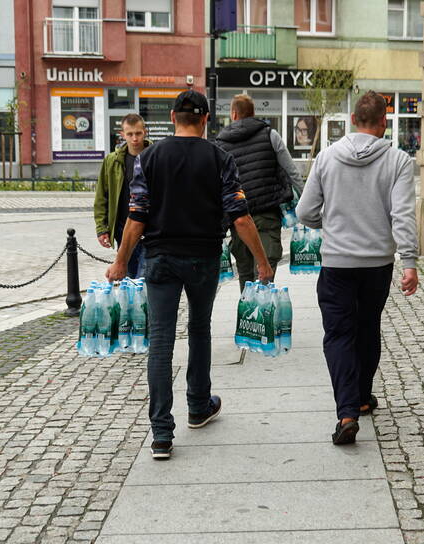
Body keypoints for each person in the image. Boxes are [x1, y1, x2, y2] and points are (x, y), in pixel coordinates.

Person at [105, 90, 274, 460]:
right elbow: (240, 217)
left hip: (161, 259)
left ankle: (162, 433)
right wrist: (261, 261)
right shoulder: (219, 158)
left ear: (172, 116)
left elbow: (137, 217)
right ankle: (198, 405)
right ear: (206, 118)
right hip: (203, 258)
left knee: (161, 340)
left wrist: (120, 261)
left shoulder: (148, 158)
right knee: (199, 328)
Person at [296, 91, 419, 445]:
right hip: (376, 265)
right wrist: (408, 262)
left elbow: (305, 212)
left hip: (336, 262)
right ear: (383, 122)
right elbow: (403, 216)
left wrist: (329, 224)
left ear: (352, 119)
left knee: (338, 335)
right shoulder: (398, 161)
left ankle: (347, 412)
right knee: (367, 329)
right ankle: (363, 397)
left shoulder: (326, 158)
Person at [215, 94, 303, 288]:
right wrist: (306, 204)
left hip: (238, 220)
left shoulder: (220, 144)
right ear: (254, 113)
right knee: (265, 277)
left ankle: (249, 316)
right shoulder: (270, 135)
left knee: (246, 277)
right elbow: (292, 173)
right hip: (267, 216)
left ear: (234, 114)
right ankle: (264, 314)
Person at [94, 113, 149, 278]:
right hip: (123, 230)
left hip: (151, 229)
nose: (134, 138)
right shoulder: (112, 161)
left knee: (146, 278)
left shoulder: (155, 155)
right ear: (122, 134)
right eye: (130, 134)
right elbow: (101, 197)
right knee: (131, 278)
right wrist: (101, 228)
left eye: (138, 133)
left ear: (145, 132)